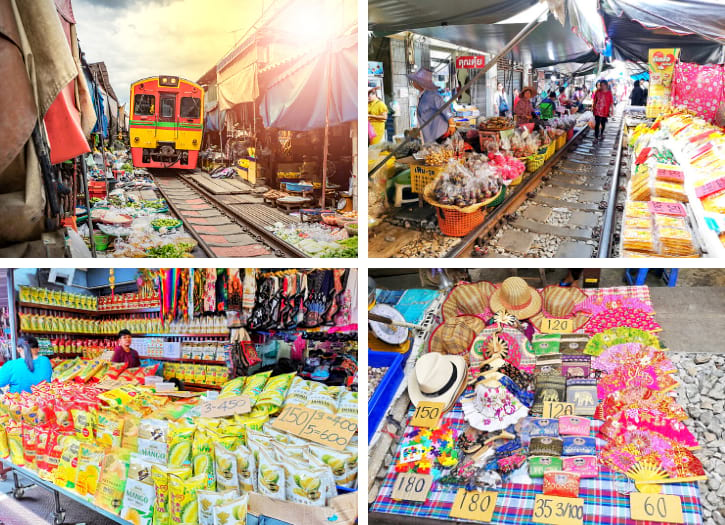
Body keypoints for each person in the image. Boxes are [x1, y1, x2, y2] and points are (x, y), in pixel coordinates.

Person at [407, 68, 456, 144]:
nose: (413, 83)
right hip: (430, 133)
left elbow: (444, 107)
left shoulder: (431, 95)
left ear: (420, 83)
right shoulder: (423, 95)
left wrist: (452, 124)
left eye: (414, 81)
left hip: (439, 134)